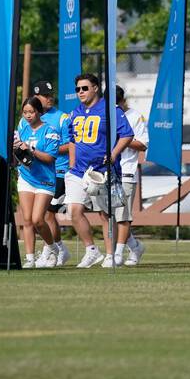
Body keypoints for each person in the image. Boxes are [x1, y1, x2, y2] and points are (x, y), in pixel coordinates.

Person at [66, 73, 133, 269]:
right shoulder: (76, 112)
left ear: (95, 88)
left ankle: (111, 254)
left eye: (84, 88)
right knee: (74, 211)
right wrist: (72, 164)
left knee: (105, 214)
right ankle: (91, 251)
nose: (80, 92)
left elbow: (127, 134)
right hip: (79, 171)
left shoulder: (110, 110)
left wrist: (113, 154)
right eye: (78, 89)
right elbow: (72, 139)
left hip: (102, 171)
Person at [24, 81, 71, 268]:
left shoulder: (61, 118)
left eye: (51, 95)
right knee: (43, 217)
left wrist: (45, 150)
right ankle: (56, 248)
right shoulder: (26, 120)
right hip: (31, 173)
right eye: (45, 95)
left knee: (46, 215)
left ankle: (50, 251)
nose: (49, 98)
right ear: (36, 97)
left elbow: (70, 144)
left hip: (57, 171)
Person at [13, 97, 60, 267]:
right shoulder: (23, 130)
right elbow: (19, 153)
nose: (28, 115)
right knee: (26, 220)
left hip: (45, 180)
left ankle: (53, 248)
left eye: (31, 112)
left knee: (38, 219)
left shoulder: (50, 131)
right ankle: (30, 258)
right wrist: (16, 150)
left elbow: (49, 158)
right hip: (26, 178)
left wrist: (31, 150)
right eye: (25, 112)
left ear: (39, 112)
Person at [114, 86, 148, 266]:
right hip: (107, 171)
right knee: (110, 214)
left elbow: (142, 144)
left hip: (126, 171)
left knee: (123, 215)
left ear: (122, 100)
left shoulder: (134, 116)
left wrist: (124, 138)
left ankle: (118, 254)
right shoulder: (105, 115)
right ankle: (135, 246)